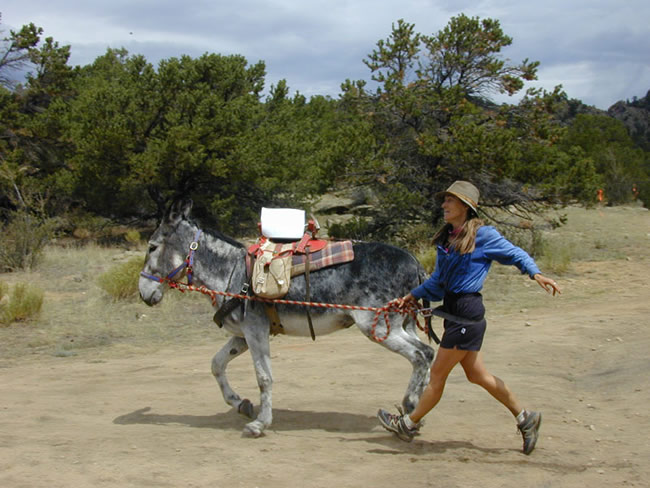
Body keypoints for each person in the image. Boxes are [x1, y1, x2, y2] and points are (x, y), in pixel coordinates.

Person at [377, 180, 561, 455]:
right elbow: (439, 280)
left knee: (437, 374)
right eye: (445, 200)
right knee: (478, 375)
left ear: (465, 206)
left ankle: (407, 424)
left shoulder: (484, 236)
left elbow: (515, 254)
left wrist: (535, 273)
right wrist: (412, 296)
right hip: (454, 310)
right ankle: (526, 418)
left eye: (450, 201)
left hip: (467, 312)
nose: (444, 205)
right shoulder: (447, 238)